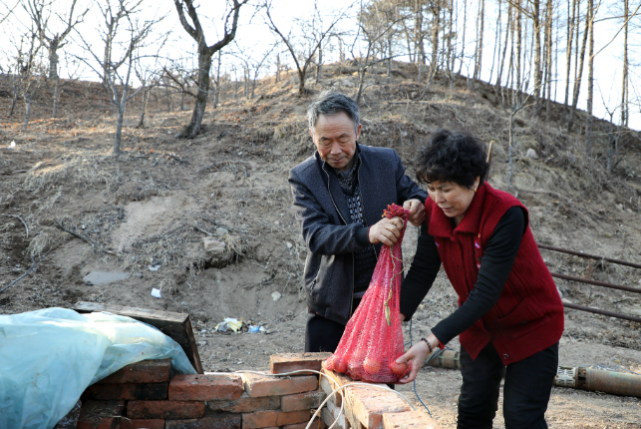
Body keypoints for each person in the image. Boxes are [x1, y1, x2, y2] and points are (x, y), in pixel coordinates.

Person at [396, 130, 564, 429]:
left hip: (531, 325)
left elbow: (486, 293)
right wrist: (393, 319)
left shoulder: (506, 214)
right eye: (431, 188)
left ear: (474, 181)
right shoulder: (434, 210)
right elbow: (422, 270)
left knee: (521, 417)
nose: (437, 199)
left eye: (446, 188)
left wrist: (429, 342)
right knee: (473, 412)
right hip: (480, 328)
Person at [289, 91, 427, 353]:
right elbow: (316, 235)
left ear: (358, 131)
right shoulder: (303, 177)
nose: (336, 150)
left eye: (343, 138)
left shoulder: (386, 162)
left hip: (381, 300)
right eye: (325, 141)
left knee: (378, 385)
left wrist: (418, 203)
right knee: (325, 387)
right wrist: (368, 234)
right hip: (329, 306)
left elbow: (415, 193)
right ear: (312, 136)